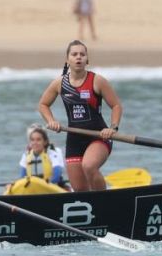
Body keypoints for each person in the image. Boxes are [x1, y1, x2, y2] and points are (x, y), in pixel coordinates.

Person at [37, 39, 122, 192]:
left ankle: (106, 201)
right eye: (74, 54)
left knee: (89, 166)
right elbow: (43, 105)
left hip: (99, 136)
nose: (78, 57)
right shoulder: (59, 84)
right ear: (67, 59)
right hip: (74, 139)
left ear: (87, 59)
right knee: (80, 190)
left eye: (82, 54)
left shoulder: (97, 81)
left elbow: (116, 106)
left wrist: (113, 128)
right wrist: (51, 121)